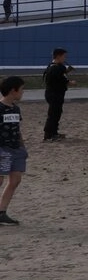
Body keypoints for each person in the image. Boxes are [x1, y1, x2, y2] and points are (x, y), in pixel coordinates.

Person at [0, 76, 28, 225]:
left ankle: (2, 212)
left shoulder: (16, 109)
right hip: (2, 149)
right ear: (13, 90)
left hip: (16, 149)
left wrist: (22, 147)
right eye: (21, 89)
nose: (23, 92)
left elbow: (17, 129)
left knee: (15, 180)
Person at [42, 48, 75, 142]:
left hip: (55, 93)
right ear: (58, 56)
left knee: (57, 113)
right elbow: (61, 79)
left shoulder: (54, 66)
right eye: (64, 56)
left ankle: (54, 132)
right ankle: (48, 134)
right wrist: (71, 82)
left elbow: (60, 75)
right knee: (53, 114)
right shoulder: (55, 68)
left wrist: (67, 71)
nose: (65, 58)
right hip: (54, 94)